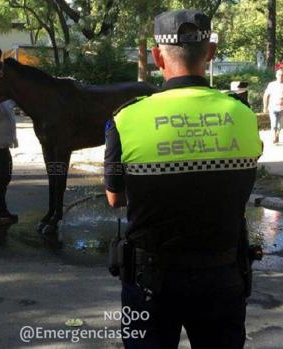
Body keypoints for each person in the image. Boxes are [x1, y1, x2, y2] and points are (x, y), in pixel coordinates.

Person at [104, 9, 262, 349]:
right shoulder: (244, 115)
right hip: (223, 276)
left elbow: (115, 199)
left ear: (157, 55)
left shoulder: (126, 119)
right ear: (210, 53)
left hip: (150, 282)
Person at [263, 69, 283, 144]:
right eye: (279, 75)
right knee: (273, 124)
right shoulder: (271, 84)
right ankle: (274, 137)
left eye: (282, 75)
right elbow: (266, 96)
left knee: (280, 125)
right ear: (276, 75)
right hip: (272, 107)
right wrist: (265, 107)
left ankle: (277, 135)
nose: (280, 76)